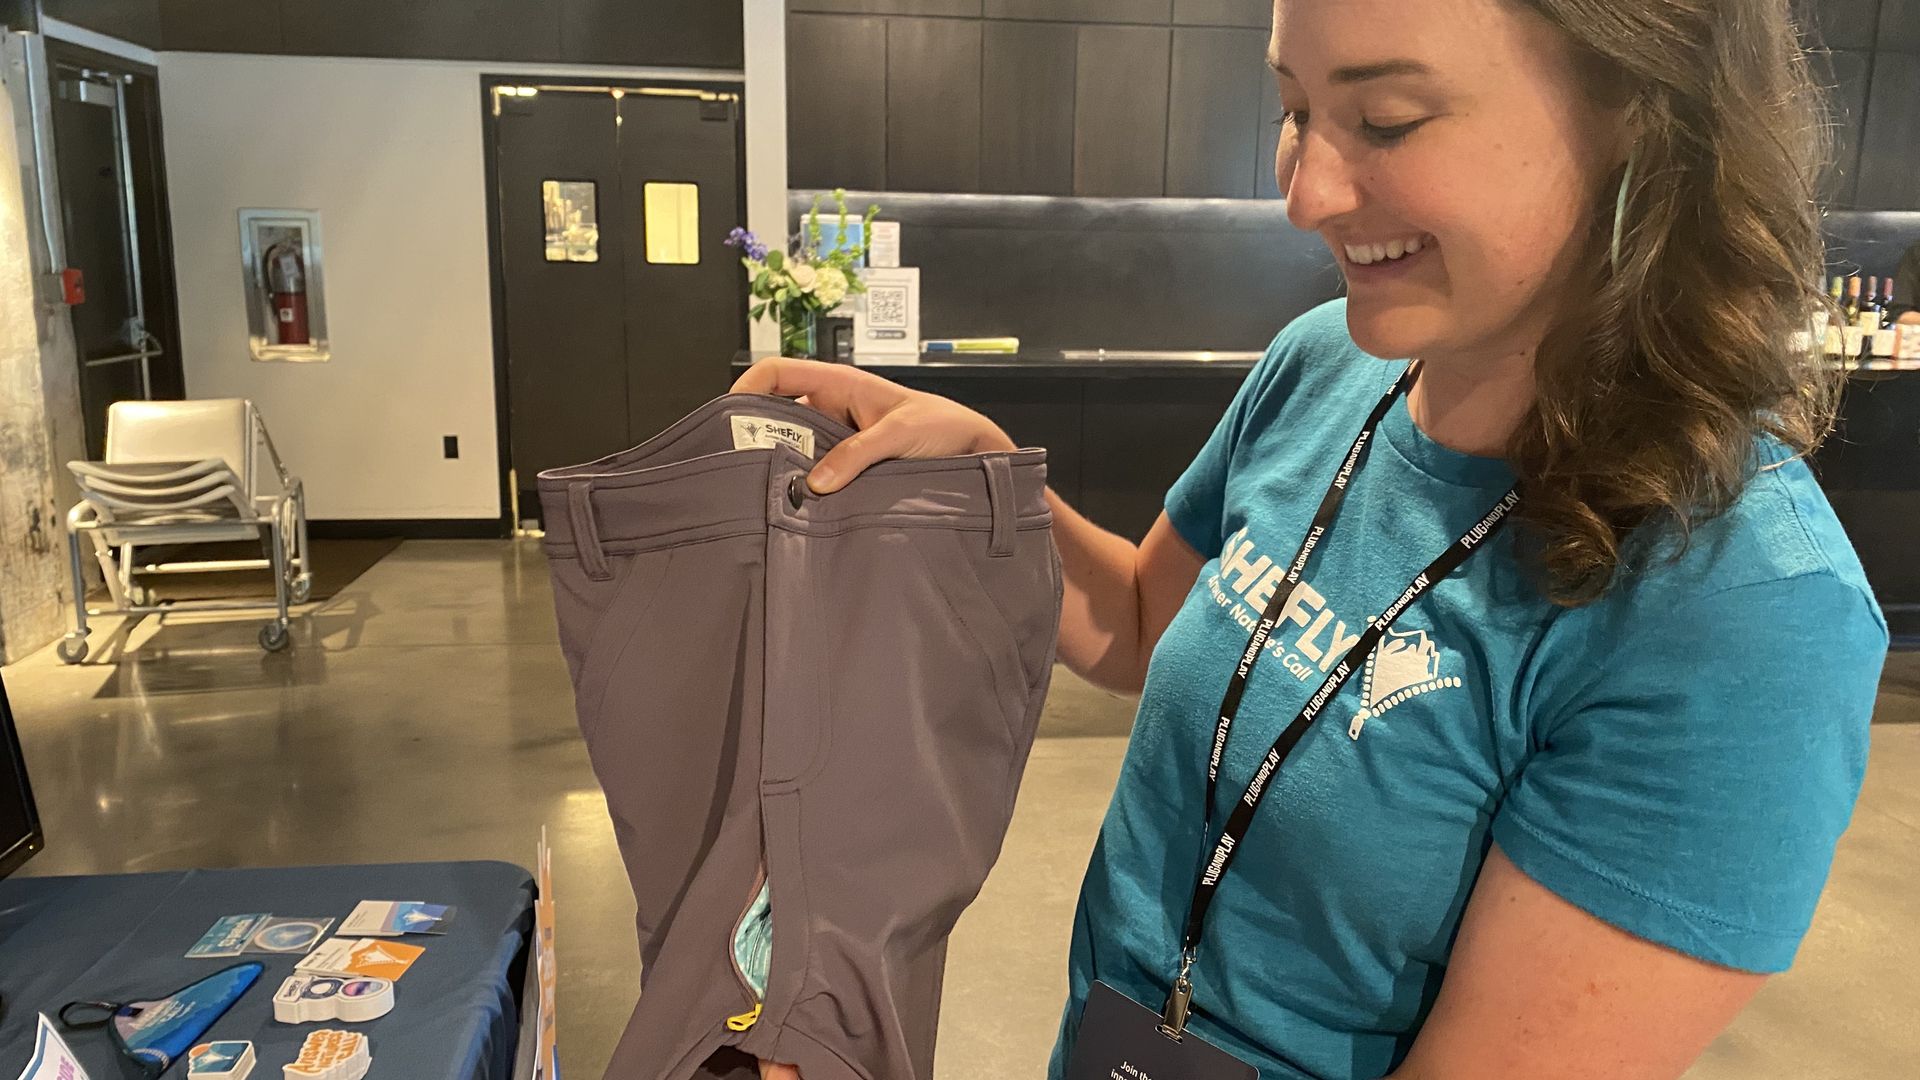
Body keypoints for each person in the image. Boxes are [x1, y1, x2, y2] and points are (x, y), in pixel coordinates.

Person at [734, 0, 1888, 1076]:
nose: (1307, 193)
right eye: (1295, 111)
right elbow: (1143, 622)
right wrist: (982, 486)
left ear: (1641, 113)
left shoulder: (1740, 608)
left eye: (1386, 119)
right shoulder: (1327, 366)